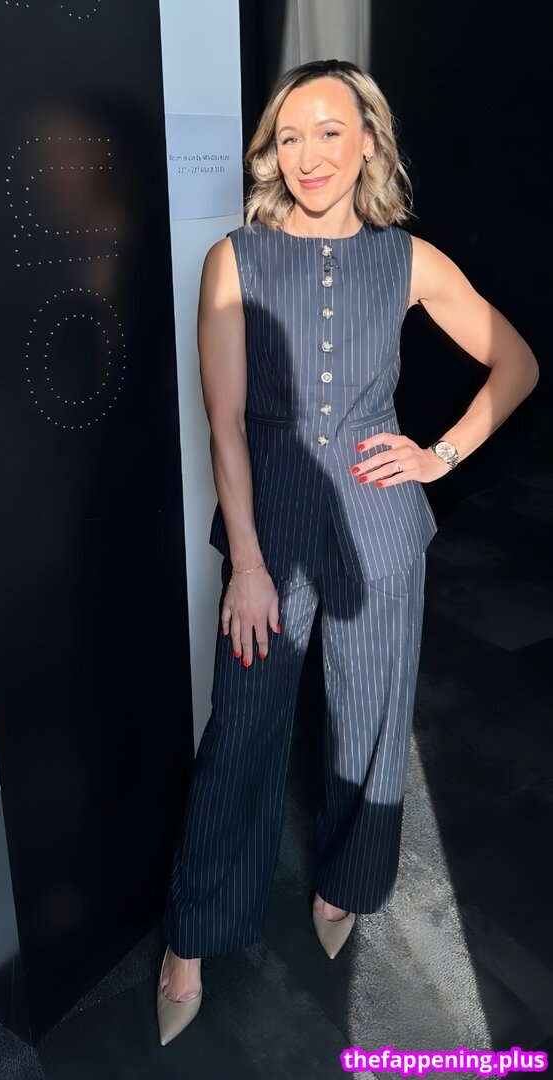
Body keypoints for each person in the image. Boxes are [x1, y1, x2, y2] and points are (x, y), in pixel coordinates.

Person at [156, 58, 538, 1045]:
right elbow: (225, 423)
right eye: (290, 136)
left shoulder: (406, 260)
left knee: (371, 722)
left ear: (368, 140)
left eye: (330, 131)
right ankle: (193, 933)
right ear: (271, 155)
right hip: (271, 528)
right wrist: (246, 564)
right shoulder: (236, 260)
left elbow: (517, 361)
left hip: (379, 522)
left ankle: (346, 883)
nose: (309, 154)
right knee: (243, 729)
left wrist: (438, 454)